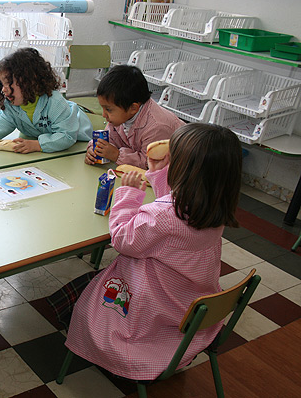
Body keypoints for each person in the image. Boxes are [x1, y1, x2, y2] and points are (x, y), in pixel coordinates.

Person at [49, 122, 243, 381]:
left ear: (183, 170)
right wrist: (157, 174)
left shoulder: (162, 216)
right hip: (186, 308)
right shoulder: (213, 209)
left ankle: (103, 351)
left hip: (148, 317)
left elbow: (121, 239)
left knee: (81, 298)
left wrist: (128, 195)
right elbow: (170, 212)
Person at [0, 47, 93, 153]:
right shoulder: (12, 105)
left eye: (8, 83)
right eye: (2, 84)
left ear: (30, 81)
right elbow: (0, 124)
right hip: (44, 138)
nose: (3, 89)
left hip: (78, 139)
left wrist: (38, 145)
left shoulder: (55, 103)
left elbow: (67, 136)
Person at [85, 65, 184, 169]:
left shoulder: (157, 127)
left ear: (133, 108)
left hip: (180, 171)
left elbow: (150, 164)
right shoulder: (121, 115)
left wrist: (116, 155)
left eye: (108, 109)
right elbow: (110, 139)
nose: (104, 115)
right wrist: (95, 149)